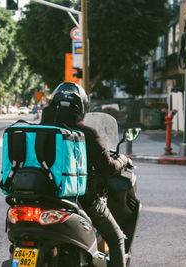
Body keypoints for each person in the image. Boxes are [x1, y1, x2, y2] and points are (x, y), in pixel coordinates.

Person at [41, 82, 129, 267]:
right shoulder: (85, 133)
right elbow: (107, 168)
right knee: (117, 239)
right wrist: (123, 160)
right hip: (83, 198)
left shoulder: (40, 132)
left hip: (42, 196)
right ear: (81, 108)